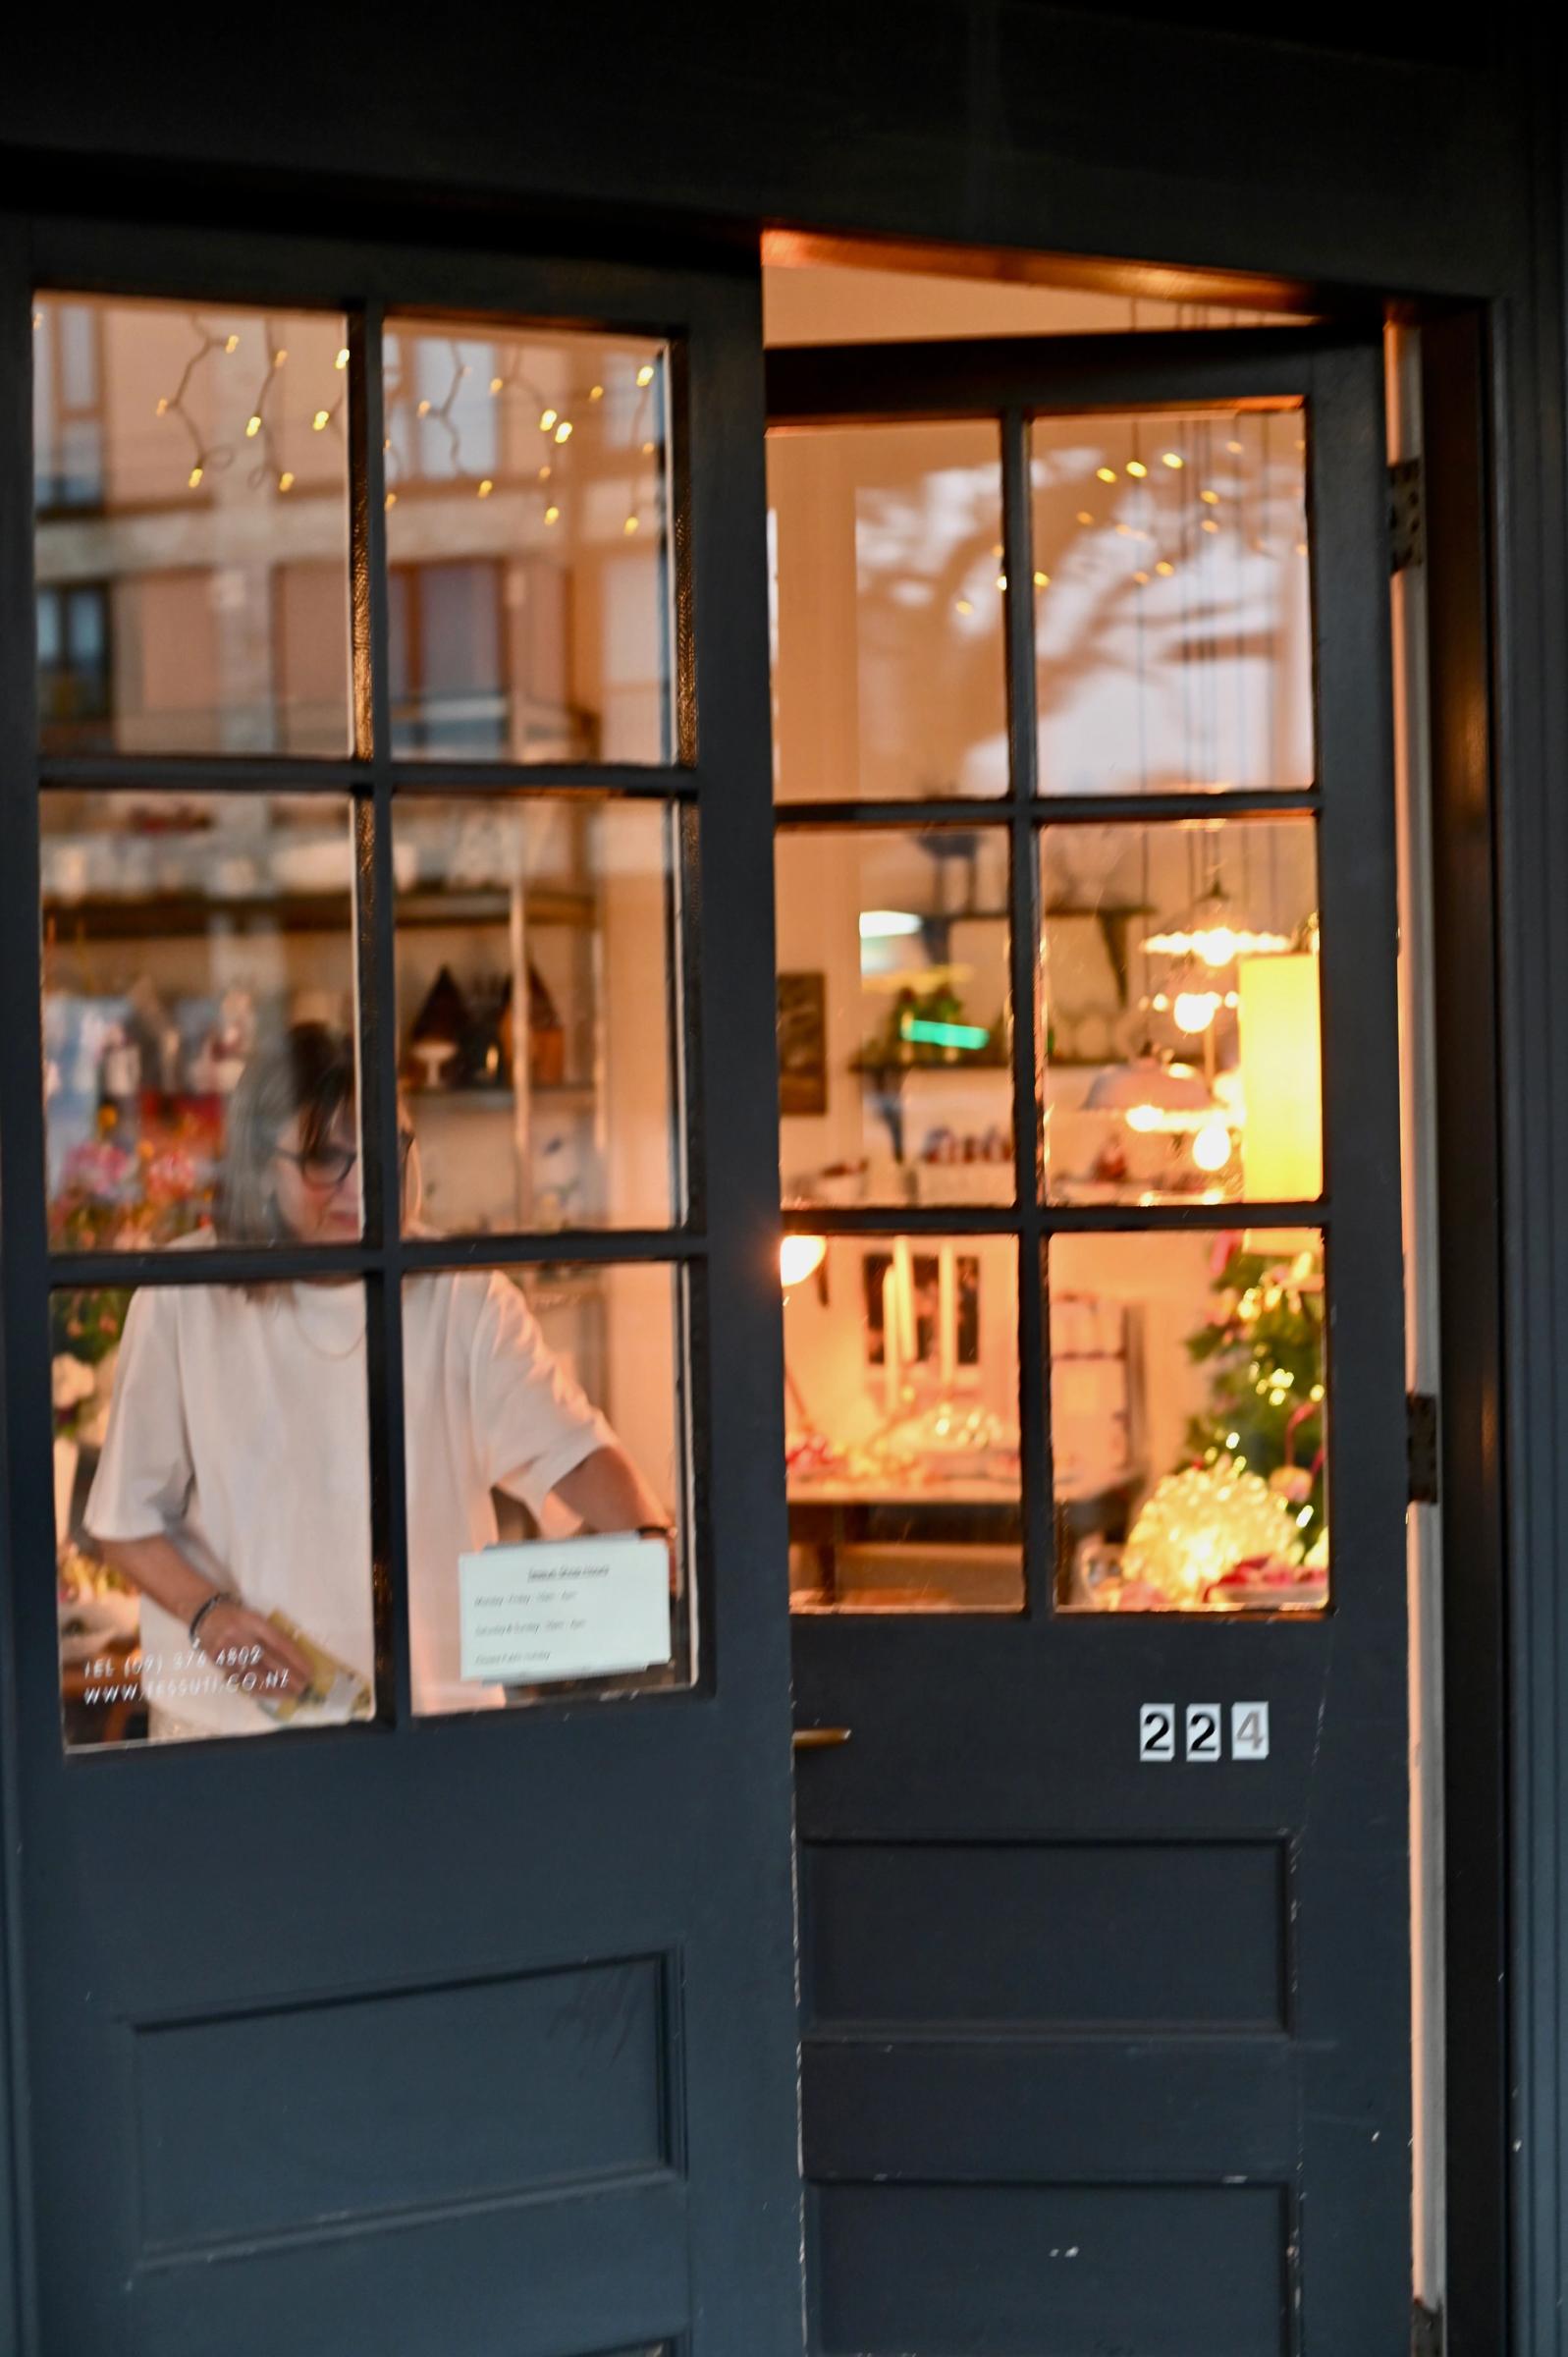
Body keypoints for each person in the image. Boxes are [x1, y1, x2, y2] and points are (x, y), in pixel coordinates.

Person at [85, 1023, 673, 1739]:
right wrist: (209, 1616)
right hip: (232, 1735)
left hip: (428, 1729)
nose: (360, 1187)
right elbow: (124, 1524)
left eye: (380, 1154)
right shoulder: (182, 1294)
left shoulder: (460, 1293)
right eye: (323, 1158)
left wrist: (649, 1539)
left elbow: (571, 1450)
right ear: (253, 1164)